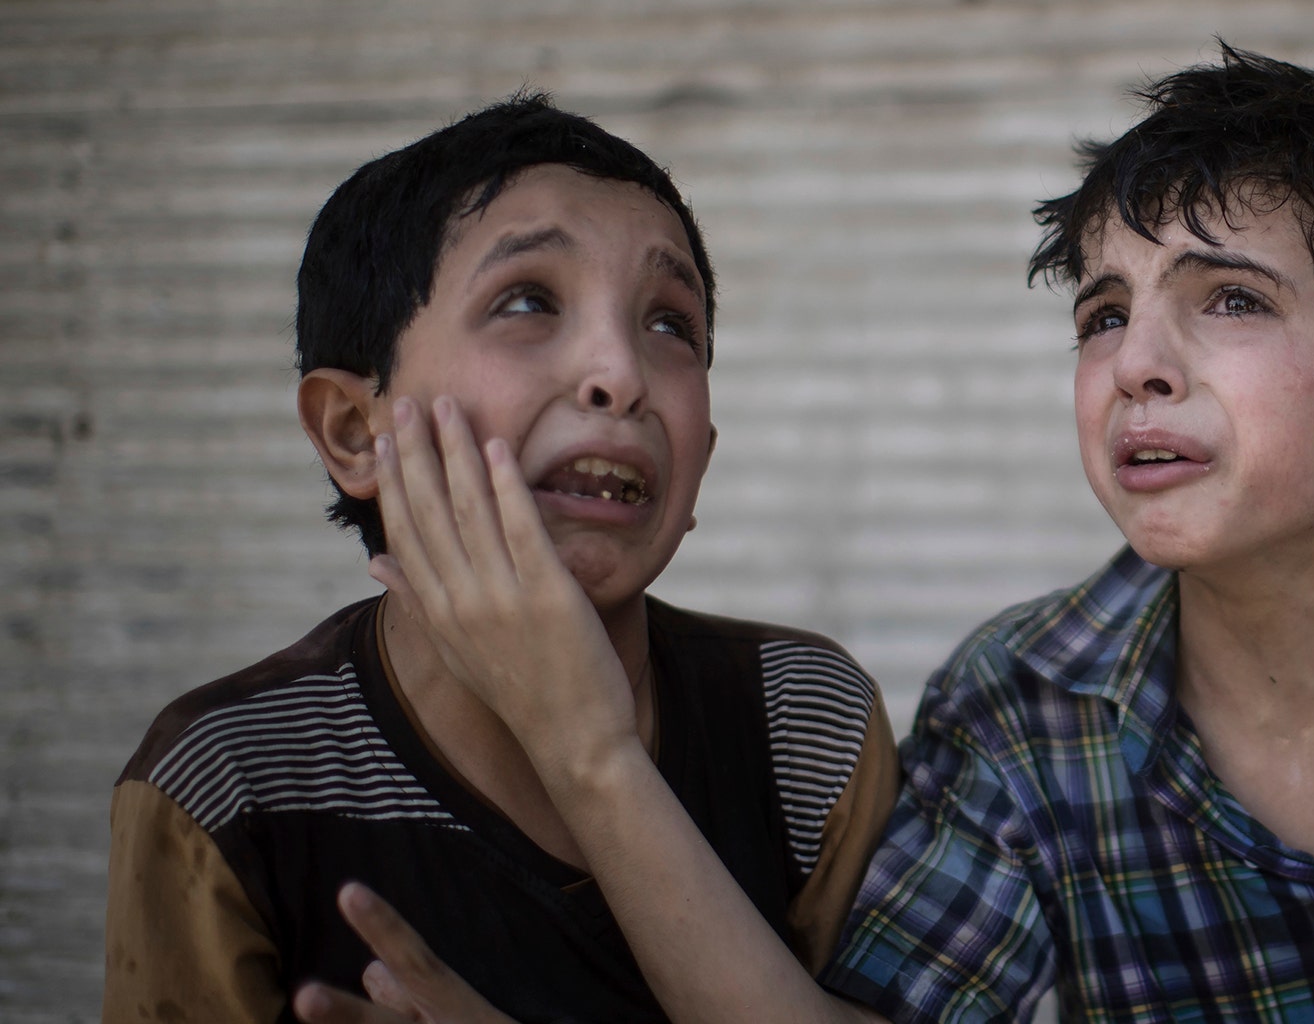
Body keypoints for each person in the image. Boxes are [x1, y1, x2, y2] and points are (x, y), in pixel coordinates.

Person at [294, 48, 1314, 1023]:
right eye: (1103, 316)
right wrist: (586, 743)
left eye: (1230, 301)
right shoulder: (1023, 715)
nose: (1137, 364)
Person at [102, 95, 900, 1021]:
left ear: (701, 460)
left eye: (670, 325)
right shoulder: (226, 780)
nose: (621, 374)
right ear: (355, 429)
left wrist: (589, 750)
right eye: (528, 302)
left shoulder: (805, 726)